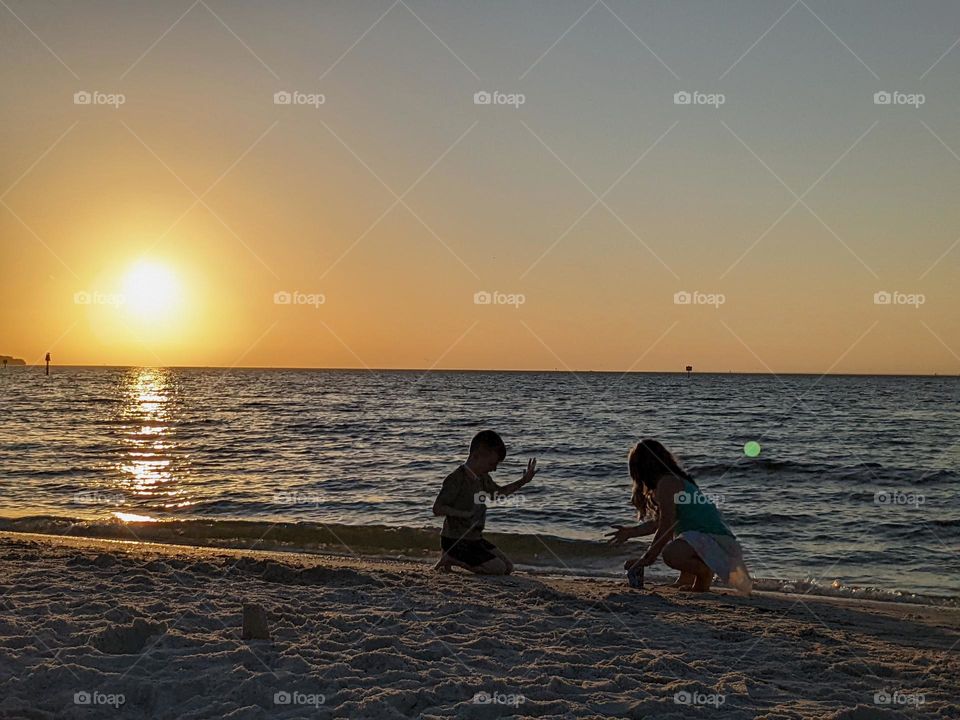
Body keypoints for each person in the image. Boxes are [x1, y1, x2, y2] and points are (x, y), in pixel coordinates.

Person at [608, 439, 751, 594]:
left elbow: (666, 526)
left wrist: (649, 558)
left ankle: (704, 574)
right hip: (711, 540)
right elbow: (660, 522)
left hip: (716, 541)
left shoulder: (667, 483)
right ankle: (686, 579)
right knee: (681, 538)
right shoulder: (672, 480)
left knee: (671, 553)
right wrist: (631, 532)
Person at [432, 430, 538, 575]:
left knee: (508, 567)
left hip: (474, 539)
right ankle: (450, 557)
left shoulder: (483, 478)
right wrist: (462, 514)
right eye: (492, 463)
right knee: (498, 569)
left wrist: (523, 481)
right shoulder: (456, 479)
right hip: (455, 540)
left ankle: (454, 557)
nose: (494, 468)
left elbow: (497, 494)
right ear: (476, 455)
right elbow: (437, 508)